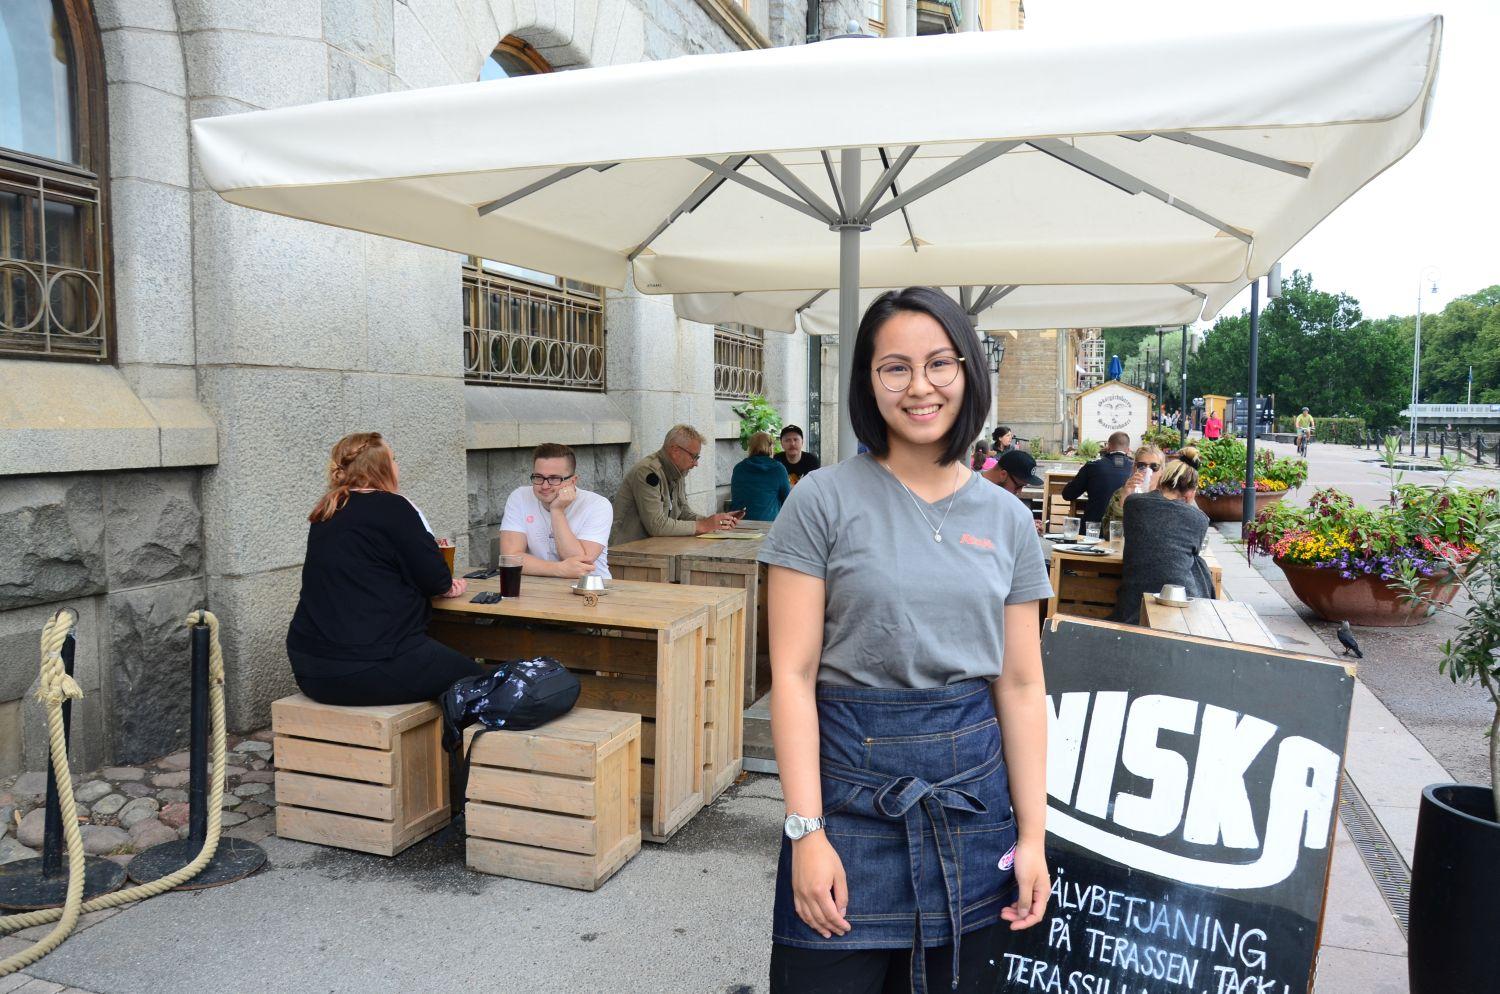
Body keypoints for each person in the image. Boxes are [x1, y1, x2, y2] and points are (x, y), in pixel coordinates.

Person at [760, 287, 1052, 994]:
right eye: (895, 367)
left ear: (968, 373)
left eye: (939, 364)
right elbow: (793, 677)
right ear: (869, 380)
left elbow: (1019, 685)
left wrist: (1035, 839)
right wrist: (807, 832)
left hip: (974, 810)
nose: (920, 386)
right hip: (848, 804)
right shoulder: (820, 500)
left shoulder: (1008, 519)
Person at [286, 432, 483, 707]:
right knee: (483, 682)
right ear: (381, 467)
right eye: (394, 459)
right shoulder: (394, 508)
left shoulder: (327, 510)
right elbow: (434, 578)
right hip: (370, 664)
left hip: (309, 667)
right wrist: (446, 585)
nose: (396, 465)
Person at [1110, 447, 1214, 625]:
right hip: (1181, 601)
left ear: (1162, 480)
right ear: (1191, 492)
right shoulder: (1199, 519)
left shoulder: (1134, 503)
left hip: (1132, 602)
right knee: (1198, 564)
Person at [611, 424, 742, 543]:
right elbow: (656, 526)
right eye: (694, 456)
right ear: (675, 450)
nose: (696, 463)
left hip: (652, 549)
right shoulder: (647, 472)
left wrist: (717, 521)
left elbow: (684, 514)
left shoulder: (677, 472)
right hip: (626, 552)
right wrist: (703, 525)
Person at [500, 442, 612, 580]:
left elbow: (581, 563)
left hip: (591, 593)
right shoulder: (520, 497)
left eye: (554, 478)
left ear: (573, 481)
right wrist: (558, 569)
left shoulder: (597, 505)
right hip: (538, 590)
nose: (545, 485)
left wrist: (557, 510)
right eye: (538, 477)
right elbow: (510, 559)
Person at [1061, 431, 1132, 526]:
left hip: (1093, 528)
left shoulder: (1093, 466)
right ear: (1128, 450)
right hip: (1125, 528)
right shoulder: (1136, 469)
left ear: (1108, 446)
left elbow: (1068, 494)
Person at [1098, 445, 1165, 532]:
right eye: (1141, 465)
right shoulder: (1121, 493)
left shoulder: (1167, 496)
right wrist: (1124, 499)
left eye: (1154, 466)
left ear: (1162, 471)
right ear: (1134, 468)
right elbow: (1109, 533)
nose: (1147, 470)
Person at [732, 431, 793, 522]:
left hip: (740, 523)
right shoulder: (778, 468)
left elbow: (736, 497)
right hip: (768, 524)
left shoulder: (739, 468)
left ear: (751, 447)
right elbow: (787, 500)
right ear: (770, 447)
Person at [983, 448, 1045, 535]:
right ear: (1003, 475)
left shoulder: (998, 493)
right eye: (1018, 486)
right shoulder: (974, 492)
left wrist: (1023, 524)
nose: (1019, 492)